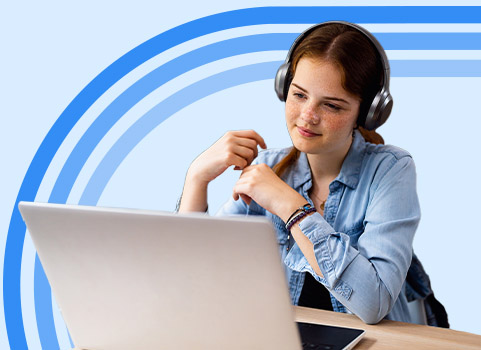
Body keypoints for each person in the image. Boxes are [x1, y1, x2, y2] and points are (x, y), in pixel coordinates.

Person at [177, 21, 446, 325]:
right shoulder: (266, 169)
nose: (308, 116)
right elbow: (192, 281)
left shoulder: (390, 170)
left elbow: (373, 303)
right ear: (283, 87)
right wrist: (196, 178)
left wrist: (291, 207)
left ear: (369, 113)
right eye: (299, 95)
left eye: (331, 105)